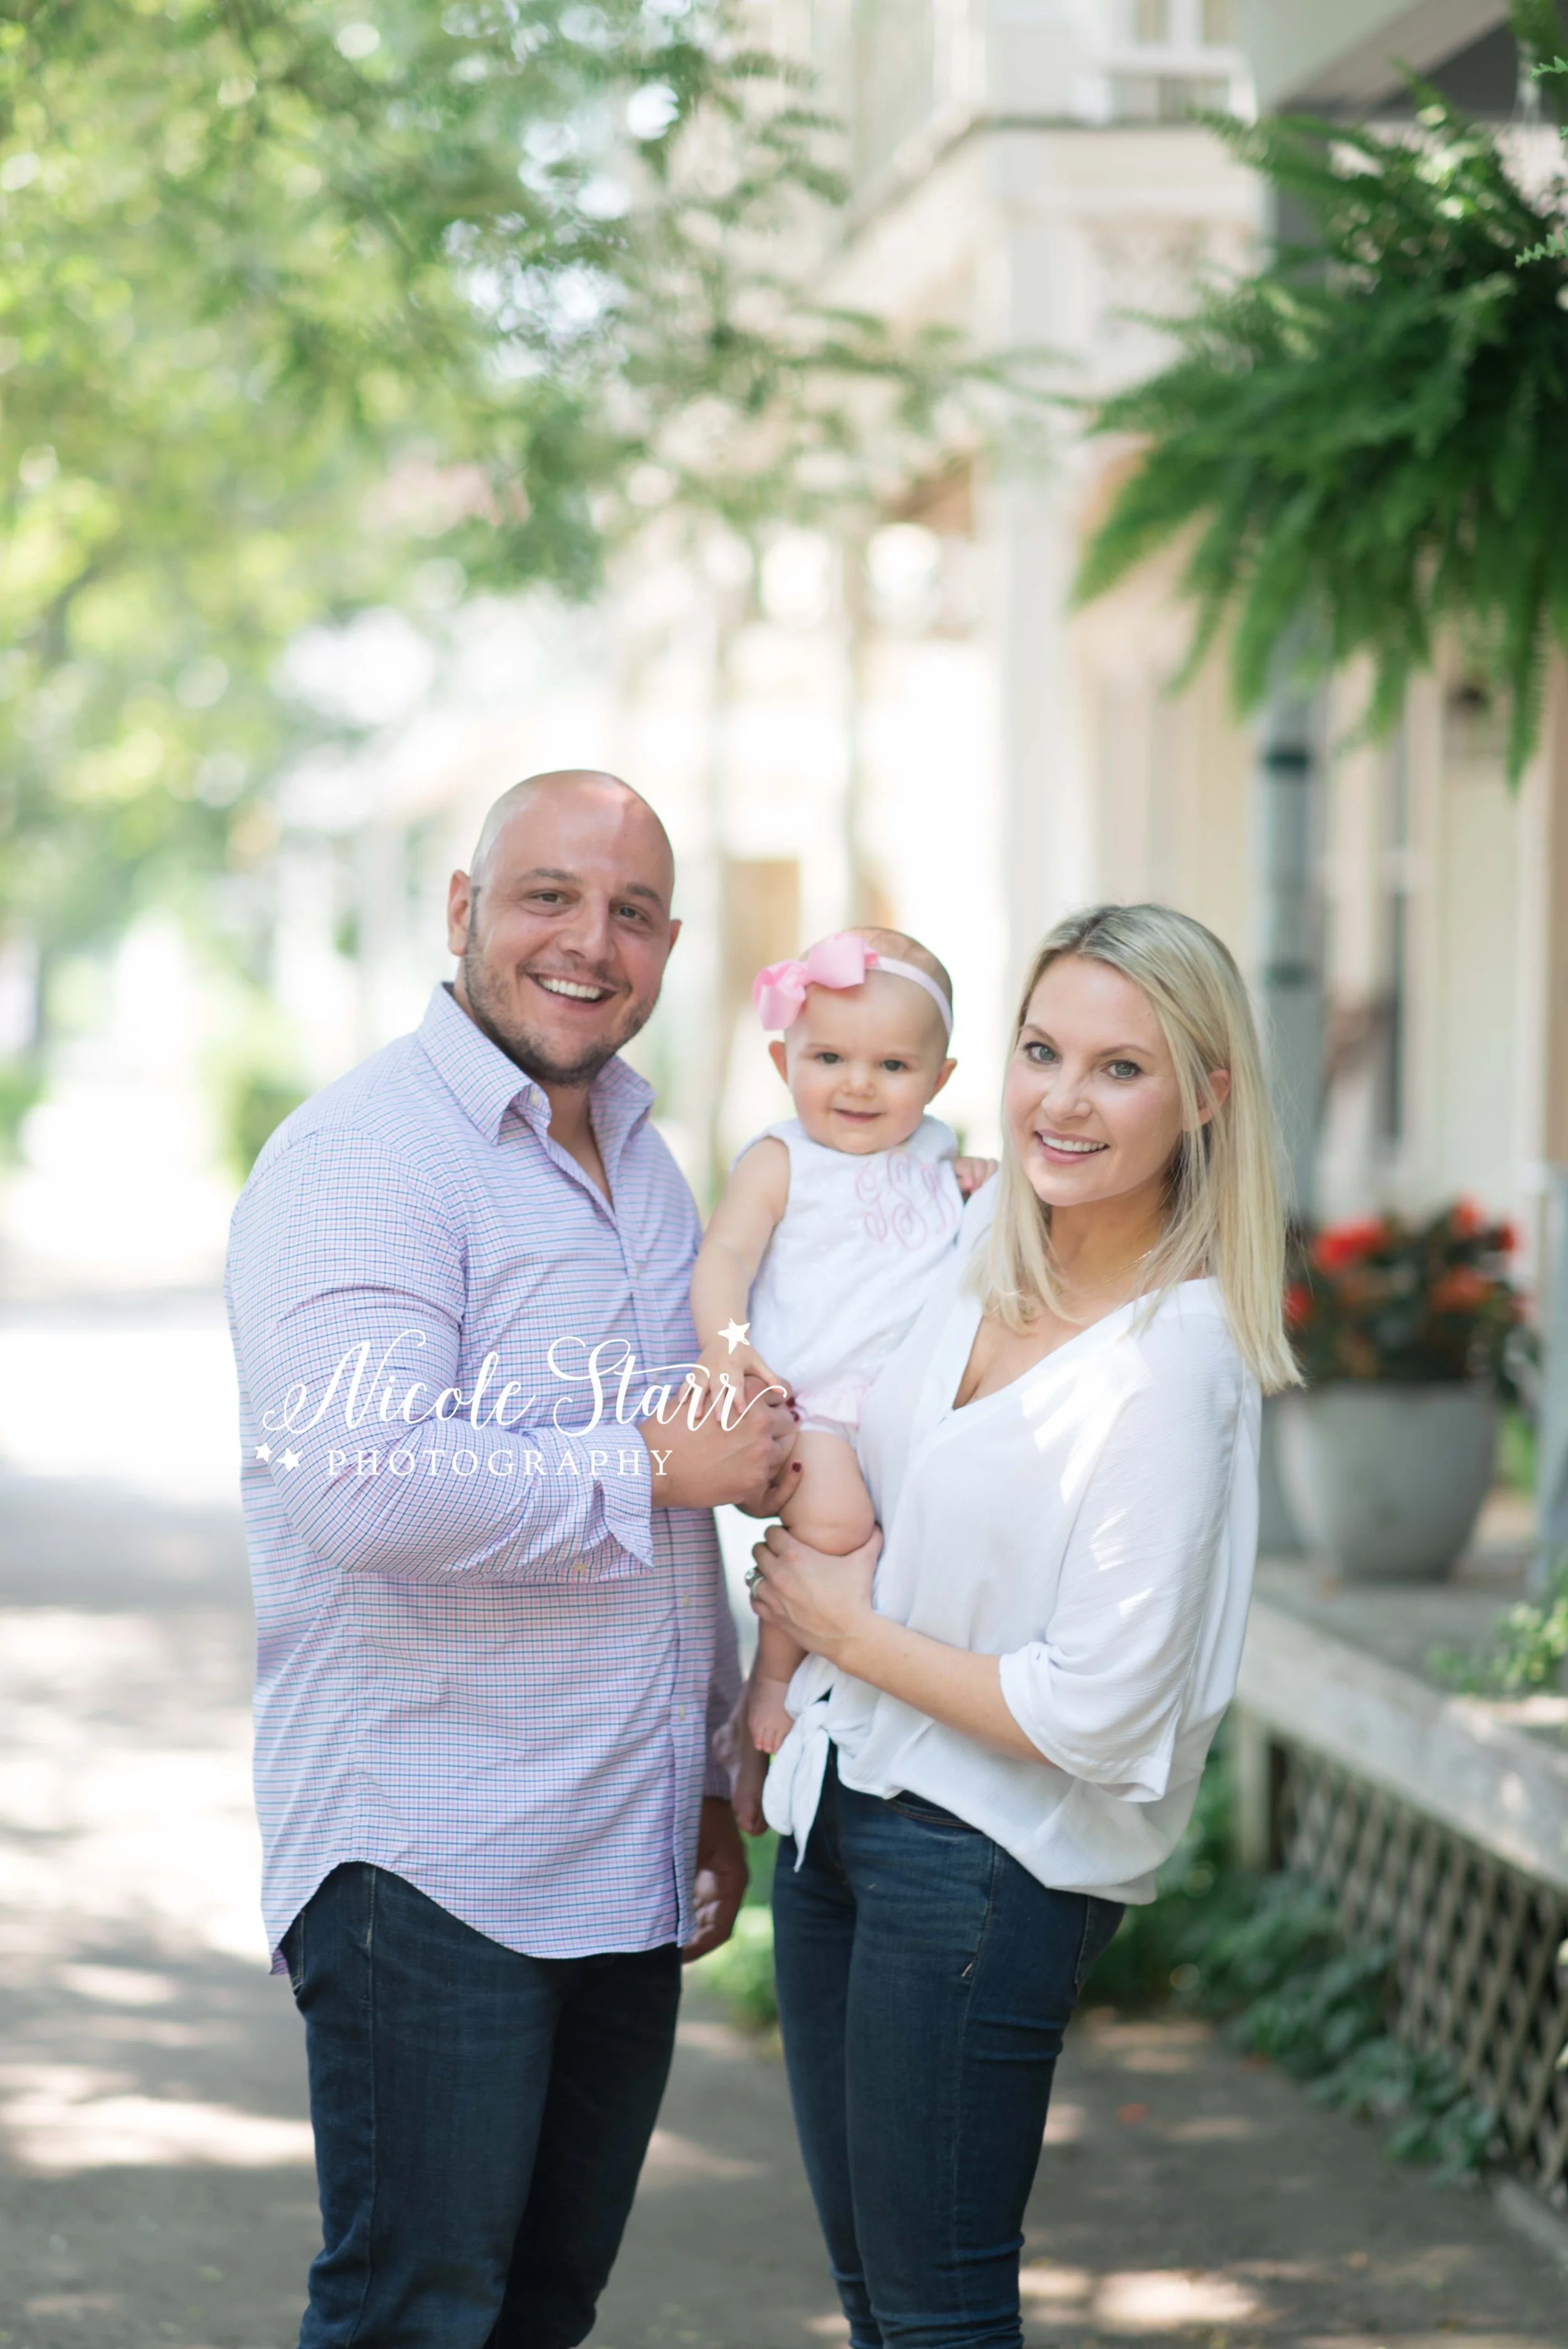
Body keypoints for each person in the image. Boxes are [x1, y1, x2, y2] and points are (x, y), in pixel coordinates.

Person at [225, 769, 796, 2349]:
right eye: (548, 896)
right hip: (431, 1855)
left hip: (618, 1850)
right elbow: (359, 1482)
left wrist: (703, 1775)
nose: (588, 942)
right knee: (418, 2315)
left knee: (543, 2311)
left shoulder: (644, 1162)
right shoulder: (365, 1159)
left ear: (667, 944)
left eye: (631, 912)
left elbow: (680, 1517)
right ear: (465, 910)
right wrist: (646, 1462)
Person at [748, 901, 1300, 2349]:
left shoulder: (1170, 1369)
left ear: (1203, 1097)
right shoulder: (964, 1251)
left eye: (1119, 1069)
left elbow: (1098, 1715)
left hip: (983, 1864)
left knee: (936, 2316)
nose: (1062, 1099)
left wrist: (841, 1632)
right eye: (1040, 1051)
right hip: (837, 1814)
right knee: (877, 2306)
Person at [688, 926, 992, 1809]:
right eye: (829, 1058)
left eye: (893, 1066)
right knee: (836, 1526)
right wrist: (728, 1345)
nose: (858, 1084)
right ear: (783, 1060)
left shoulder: (936, 1151)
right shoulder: (782, 1159)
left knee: (908, 1553)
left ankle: (863, 1700)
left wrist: (970, 1174)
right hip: (810, 1402)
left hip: (911, 1409)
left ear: (939, 1080)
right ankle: (772, 1678)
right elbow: (725, 1256)